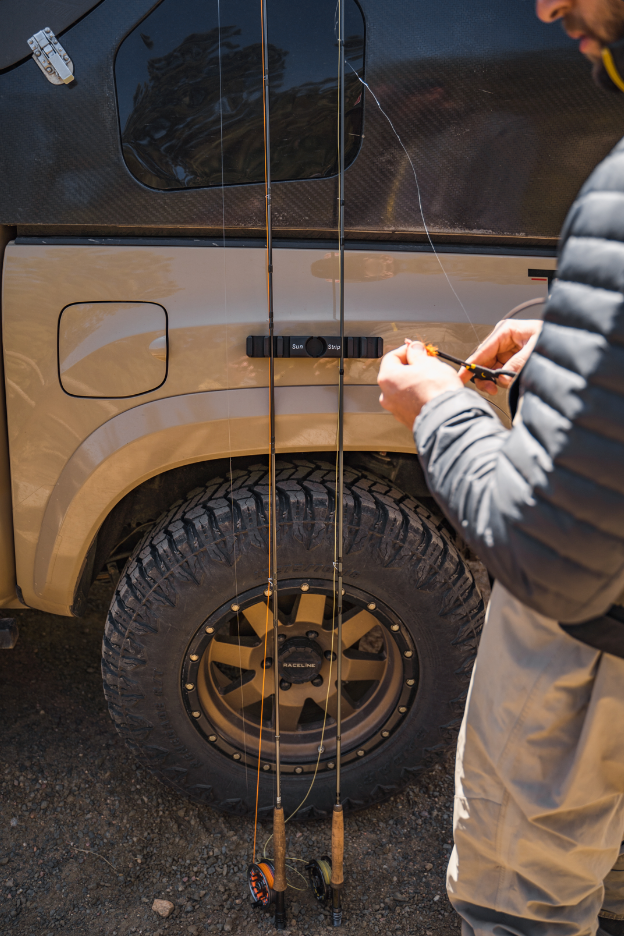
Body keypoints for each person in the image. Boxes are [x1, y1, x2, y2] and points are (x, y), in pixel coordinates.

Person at [377, 2, 624, 934]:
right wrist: (576, 342)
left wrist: (441, 409)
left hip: (595, 637)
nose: (544, 6)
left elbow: (549, 551)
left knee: (523, 898)